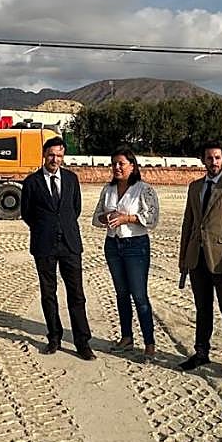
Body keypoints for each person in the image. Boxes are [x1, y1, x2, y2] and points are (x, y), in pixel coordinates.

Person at [178, 143, 222, 381]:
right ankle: (201, 353)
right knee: (202, 309)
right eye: (209, 158)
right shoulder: (195, 187)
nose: (213, 162)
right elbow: (188, 225)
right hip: (197, 259)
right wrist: (183, 259)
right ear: (203, 160)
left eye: (217, 158)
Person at [20, 136, 94, 360]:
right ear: (44, 155)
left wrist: (62, 227)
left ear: (63, 157)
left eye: (59, 156)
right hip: (44, 245)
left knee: (77, 295)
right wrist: (47, 228)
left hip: (70, 244)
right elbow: (27, 214)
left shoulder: (72, 179)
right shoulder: (32, 182)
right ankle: (54, 337)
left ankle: (82, 342)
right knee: (48, 293)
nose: (55, 159)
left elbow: (75, 209)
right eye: (51, 155)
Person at [92, 147, 160, 357]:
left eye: (121, 163)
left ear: (133, 166)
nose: (117, 167)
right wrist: (108, 217)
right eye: (114, 164)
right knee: (121, 294)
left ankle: (149, 344)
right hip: (113, 244)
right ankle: (127, 337)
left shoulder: (143, 189)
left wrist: (126, 218)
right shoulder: (108, 189)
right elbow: (96, 218)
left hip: (135, 245)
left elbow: (152, 218)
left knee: (139, 296)